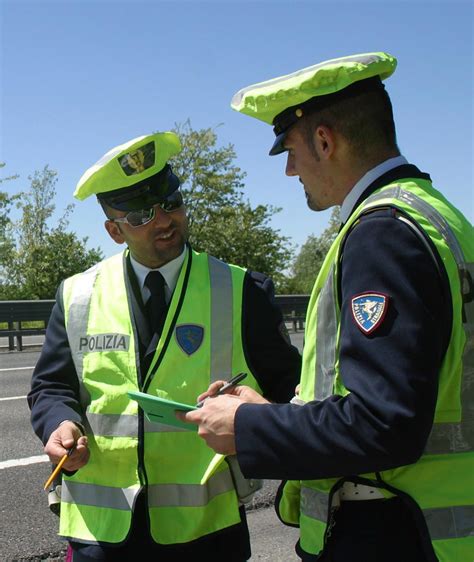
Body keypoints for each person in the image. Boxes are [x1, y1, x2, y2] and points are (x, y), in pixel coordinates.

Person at [179, 52, 474, 562]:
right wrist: (271, 411)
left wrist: (248, 428)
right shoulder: (436, 214)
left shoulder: (381, 232)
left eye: (290, 150)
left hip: (391, 530)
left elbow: (384, 422)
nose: (291, 169)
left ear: (324, 141)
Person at [27, 131, 301, 561]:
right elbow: (51, 387)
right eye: (140, 215)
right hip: (101, 533)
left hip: (206, 533)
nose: (163, 220)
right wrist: (60, 424)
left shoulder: (241, 289)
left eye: (171, 202)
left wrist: (252, 418)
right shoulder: (78, 294)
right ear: (114, 231)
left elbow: (292, 393)